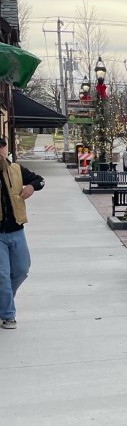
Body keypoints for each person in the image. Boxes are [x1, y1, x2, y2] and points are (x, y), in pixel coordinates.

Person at [0, 136, 43, 330]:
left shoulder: (16, 169)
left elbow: (39, 180)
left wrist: (31, 187)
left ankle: (4, 299)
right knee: (2, 275)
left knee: (21, 270)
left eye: (1, 147)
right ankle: (8, 315)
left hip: (16, 229)